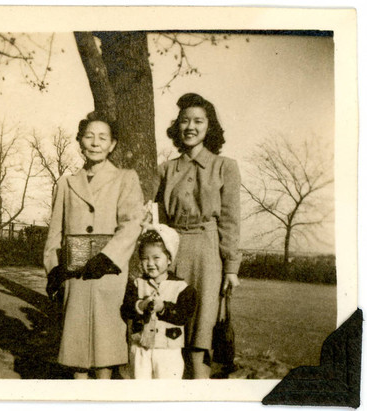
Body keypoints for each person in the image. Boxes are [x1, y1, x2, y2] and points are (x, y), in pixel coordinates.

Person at [43, 112, 144, 379]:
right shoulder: (66, 183)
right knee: (76, 355)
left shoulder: (126, 178)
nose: (95, 143)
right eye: (89, 137)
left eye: (103, 138)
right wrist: (54, 268)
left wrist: (108, 257)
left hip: (107, 274)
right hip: (75, 276)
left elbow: (132, 223)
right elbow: (55, 232)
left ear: (112, 145)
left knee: (105, 355)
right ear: (80, 142)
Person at [154, 93, 241, 379]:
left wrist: (230, 268)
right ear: (177, 127)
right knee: (169, 333)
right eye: (185, 121)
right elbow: (161, 222)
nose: (190, 126)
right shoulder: (166, 170)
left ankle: (201, 394)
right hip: (172, 253)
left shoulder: (225, 167)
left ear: (209, 127)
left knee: (200, 337)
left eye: (198, 121)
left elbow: (229, 220)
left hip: (208, 255)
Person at [121, 225, 196, 379]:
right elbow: (126, 309)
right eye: (144, 258)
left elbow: (183, 315)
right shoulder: (136, 284)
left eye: (156, 258)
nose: (150, 263)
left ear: (169, 259)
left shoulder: (182, 288)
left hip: (168, 351)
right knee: (141, 388)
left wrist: (163, 308)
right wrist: (140, 305)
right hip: (141, 347)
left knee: (166, 389)